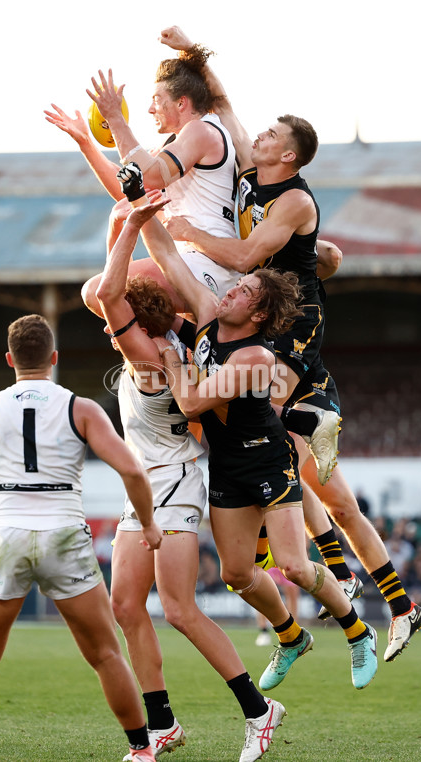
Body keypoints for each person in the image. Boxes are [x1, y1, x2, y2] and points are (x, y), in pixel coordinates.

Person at [158, 25, 421, 662]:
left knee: (280, 429)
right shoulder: (256, 168)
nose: (260, 136)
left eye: (273, 134)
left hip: (293, 320)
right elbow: (222, 104)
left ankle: (312, 416)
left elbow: (251, 253)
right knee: (320, 487)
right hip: (273, 308)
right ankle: (390, 599)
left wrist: (188, 230)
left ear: (291, 157)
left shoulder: (294, 199)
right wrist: (191, 49)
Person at [118, 170, 378, 703]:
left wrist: (170, 359)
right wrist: (140, 210)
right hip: (228, 469)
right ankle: (290, 636)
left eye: (244, 290)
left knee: (294, 566)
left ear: (258, 312)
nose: (231, 287)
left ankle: (358, 629)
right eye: (239, 284)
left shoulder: (257, 356)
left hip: (269, 464)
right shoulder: (213, 318)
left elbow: (191, 402)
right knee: (237, 574)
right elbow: (167, 254)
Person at [96, 194, 286, 762]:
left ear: (133, 316)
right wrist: (126, 214)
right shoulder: (175, 341)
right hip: (144, 491)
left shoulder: (148, 354)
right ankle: (162, 724)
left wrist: (128, 223)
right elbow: (112, 286)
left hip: (174, 484)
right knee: (125, 606)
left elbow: (104, 291)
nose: (110, 317)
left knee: (178, 610)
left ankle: (258, 709)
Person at [0, 314, 162, 762]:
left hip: (5, 533)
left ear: (10, 360)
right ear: (54, 358)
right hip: (64, 534)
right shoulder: (79, 407)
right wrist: (148, 524)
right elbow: (132, 470)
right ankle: (141, 751)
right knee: (105, 653)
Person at [44, 45, 242, 311]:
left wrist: (115, 117)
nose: (150, 109)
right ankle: (162, 345)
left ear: (181, 102)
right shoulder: (179, 143)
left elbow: (151, 176)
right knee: (107, 296)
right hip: (188, 261)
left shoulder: (201, 130)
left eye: (157, 99)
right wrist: (86, 143)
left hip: (209, 265)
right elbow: (130, 189)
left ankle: (159, 343)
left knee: (98, 292)